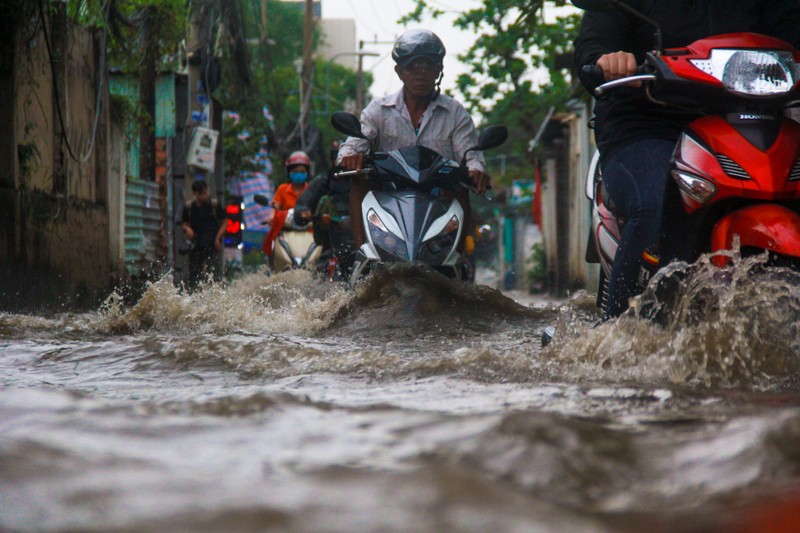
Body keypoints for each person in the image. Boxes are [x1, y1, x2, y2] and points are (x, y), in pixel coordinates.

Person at [573, 0, 800, 319]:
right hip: (648, 122)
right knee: (655, 205)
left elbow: (792, 31)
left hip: (749, 117)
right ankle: (616, 336)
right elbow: (596, 38)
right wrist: (605, 58)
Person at [337, 29, 490, 252]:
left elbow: (470, 154)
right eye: (412, 67)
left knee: (460, 188)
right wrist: (351, 158)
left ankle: (454, 260)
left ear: (438, 69)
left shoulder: (455, 113)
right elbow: (354, 144)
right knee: (359, 182)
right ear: (399, 71)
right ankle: (364, 254)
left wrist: (476, 171)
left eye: (428, 66)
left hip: (437, 197)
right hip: (388, 197)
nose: (421, 73)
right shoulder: (378, 110)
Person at [261, 150, 312, 257]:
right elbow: (276, 206)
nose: (299, 174)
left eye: (302, 172)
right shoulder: (282, 189)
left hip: (307, 229)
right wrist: (272, 215)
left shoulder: (311, 190)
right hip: (286, 229)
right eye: (295, 171)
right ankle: (270, 263)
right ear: (289, 172)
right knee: (273, 243)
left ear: (307, 172)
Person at [180, 179, 227, 293]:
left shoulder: (214, 205)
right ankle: (193, 294)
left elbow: (225, 222)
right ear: (195, 194)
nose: (204, 196)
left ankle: (214, 294)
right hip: (196, 245)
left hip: (212, 244)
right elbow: (182, 223)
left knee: (213, 273)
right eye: (201, 194)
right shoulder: (189, 207)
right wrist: (187, 229)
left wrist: (218, 238)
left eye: (205, 193)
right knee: (194, 274)